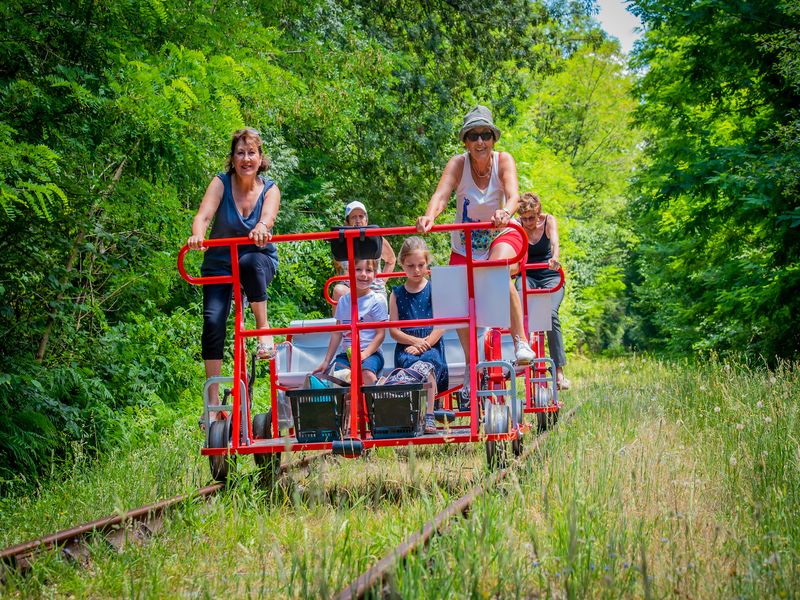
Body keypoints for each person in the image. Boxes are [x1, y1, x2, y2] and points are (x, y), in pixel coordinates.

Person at [415, 105, 535, 403]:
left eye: (485, 135)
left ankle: (520, 341)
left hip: (501, 232)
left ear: (493, 138)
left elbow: (513, 195)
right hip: (466, 242)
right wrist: (430, 216)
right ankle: (473, 365)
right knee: (454, 296)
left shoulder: (503, 160)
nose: (480, 141)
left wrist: (506, 212)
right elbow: (441, 195)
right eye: (473, 136)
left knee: (496, 268)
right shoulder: (458, 164)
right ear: (465, 141)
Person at [187, 128, 280, 422]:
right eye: (240, 153)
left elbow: (268, 217)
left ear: (260, 158)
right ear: (232, 158)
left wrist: (262, 227)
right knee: (213, 321)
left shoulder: (270, 189)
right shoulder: (221, 183)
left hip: (257, 260)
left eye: (251, 153)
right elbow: (203, 216)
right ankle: (213, 403)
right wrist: (198, 235)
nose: (246, 159)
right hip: (221, 263)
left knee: (249, 262)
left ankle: (263, 330)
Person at [388, 237, 449, 434]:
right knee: (412, 365)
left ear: (427, 263)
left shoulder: (435, 289)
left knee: (428, 364)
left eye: (421, 265)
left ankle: (428, 415)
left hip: (432, 344)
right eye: (411, 266)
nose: (416, 270)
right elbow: (394, 331)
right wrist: (415, 342)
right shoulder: (396, 294)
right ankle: (411, 414)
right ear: (402, 264)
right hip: (406, 346)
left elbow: (441, 325)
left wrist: (425, 344)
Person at [517, 192, 570, 390]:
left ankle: (559, 370)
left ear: (538, 212)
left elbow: (555, 242)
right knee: (519, 305)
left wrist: (555, 257)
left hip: (550, 275)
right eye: (524, 218)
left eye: (531, 218)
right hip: (527, 275)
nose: (528, 222)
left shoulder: (548, 221)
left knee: (550, 314)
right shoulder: (517, 225)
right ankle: (523, 351)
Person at [314, 258, 388, 385]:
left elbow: (380, 334)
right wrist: (326, 361)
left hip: (371, 354)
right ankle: (345, 398)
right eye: (358, 269)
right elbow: (337, 333)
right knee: (334, 376)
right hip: (347, 355)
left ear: (375, 274)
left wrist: (364, 355)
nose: (363, 274)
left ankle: (374, 395)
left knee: (366, 374)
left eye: (368, 270)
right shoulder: (343, 301)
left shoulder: (377, 300)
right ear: (350, 272)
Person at [332, 201, 396, 307]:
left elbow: (391, 260)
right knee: (338, 290)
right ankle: (341, 319)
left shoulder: (376, 239)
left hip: (373, 289)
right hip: (350, 289)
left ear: (366, 220)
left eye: (361, 216)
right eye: (354, 217)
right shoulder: (341, 243)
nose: (358, 220)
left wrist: (381, 281)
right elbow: (338, 266)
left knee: (377, 299)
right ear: (347, 222)